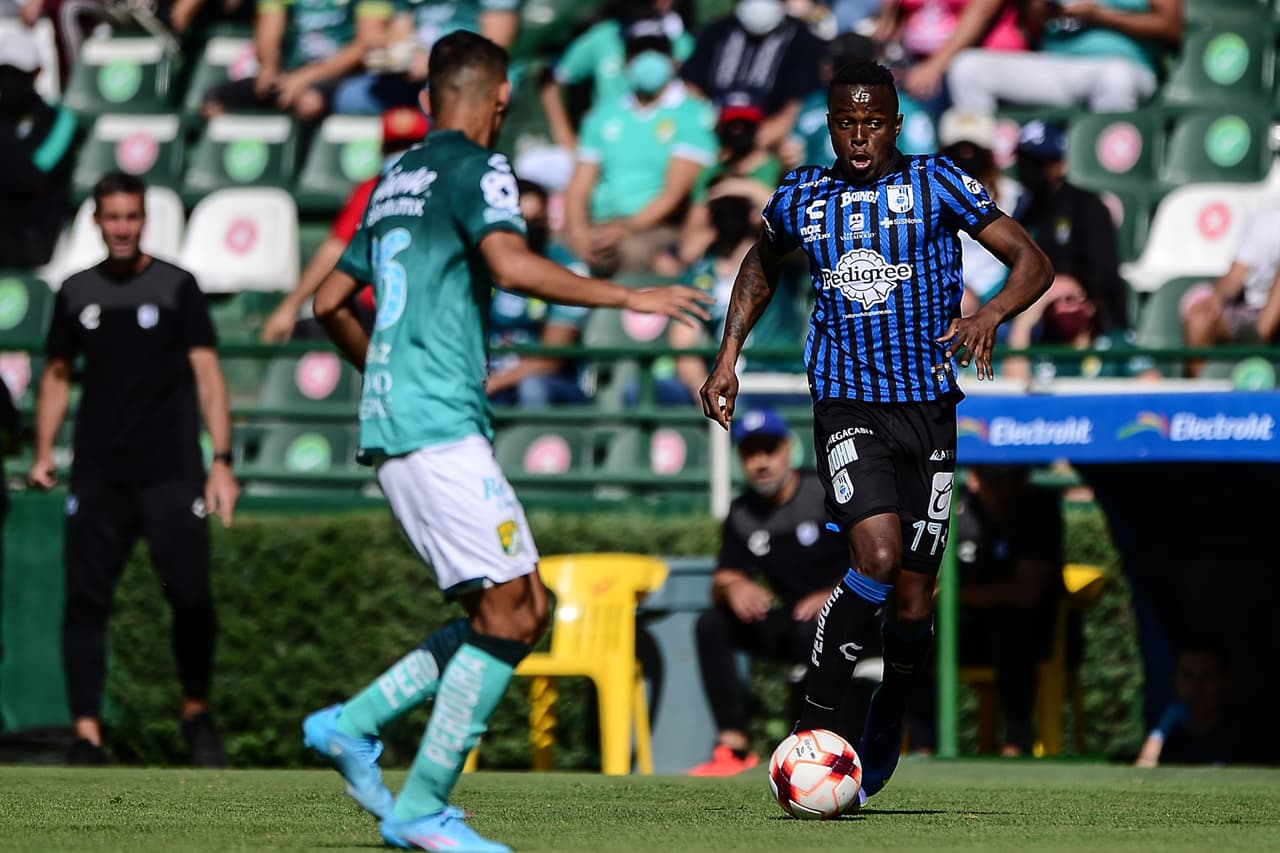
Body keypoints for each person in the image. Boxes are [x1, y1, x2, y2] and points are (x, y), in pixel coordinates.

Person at [303, 30, 708, 852]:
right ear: (499, 99)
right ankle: (417, 804)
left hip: (395, 419)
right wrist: (630, 294)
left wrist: (385, 370)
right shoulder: (478, 168)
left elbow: (327, 302)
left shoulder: (393, 179)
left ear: (428, 98)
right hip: (440, 423)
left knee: (505, 608)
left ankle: (353, 723)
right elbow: (513, 265)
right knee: (518, 611)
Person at [698, 60, 1052, 806]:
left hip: (928, 410)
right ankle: (816, 722)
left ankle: (889, 707)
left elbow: (1032, 260)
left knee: (915, 602)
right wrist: (728, 355)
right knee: (878, 555)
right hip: (846, 403)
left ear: (896, 124)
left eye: (874, 123)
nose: (860, 136)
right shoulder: (802, 193)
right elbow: (759, 267)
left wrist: (988, 314)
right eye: (846, 123)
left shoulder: (939, 183)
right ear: (831, 127)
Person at [28, 171, 240, 767]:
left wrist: (220, 461)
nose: (122, 228)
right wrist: (45, 453)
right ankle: (87, 735)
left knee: (191, 596)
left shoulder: (177, 288)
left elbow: (208, 375)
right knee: (86, 602)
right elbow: (57, 376)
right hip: (99, 473)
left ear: (145, 220)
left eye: (132, 217)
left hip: (171, 470)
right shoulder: (74, 293)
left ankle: (196, 713)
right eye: (112, 217)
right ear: (96, 221)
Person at [685, 408, 851, 777]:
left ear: (789, 449)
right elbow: (722, 578)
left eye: (769, 450)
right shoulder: (743, 513)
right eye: (750, 452)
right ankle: (732, 748)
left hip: (852, 618)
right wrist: (734, 586)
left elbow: (873, 558)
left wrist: (834, 594)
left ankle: (817, 746)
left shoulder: (826, 493)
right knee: (712, 625)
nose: (761, 462)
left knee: (817, 630)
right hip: (793, 619)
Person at [260, 105, 431, 343]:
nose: (402, 154)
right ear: (382, 150)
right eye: (395, 146)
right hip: (377, 309)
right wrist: (290, 306)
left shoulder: (441, 190)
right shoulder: (370, 191)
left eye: (411, 146)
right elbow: (336, 247)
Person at [562, 19, 719, 276]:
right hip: (599, 225)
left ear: (673, 61)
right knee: (556, 254)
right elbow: (579, 184)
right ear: (625, 62)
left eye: (656, 52)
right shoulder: (603, 115)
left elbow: (673, 194)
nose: (646, 60)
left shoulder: (693, 114)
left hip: (655, 229)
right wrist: (579, 232)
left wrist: (625, 228)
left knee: (631, 255)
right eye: (637, 53)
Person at [954, 464, 1064, 756]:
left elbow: (1025, 593)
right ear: (975, 479)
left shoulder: (1039, 510)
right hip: (964, 629)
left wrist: (956, 596)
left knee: (1011, 623)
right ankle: (919, 741)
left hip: (1027, 636)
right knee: (917, 628)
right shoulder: (953, 508)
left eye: (1013, 480)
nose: (1005, 491)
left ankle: (1017, 738)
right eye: (996, 482)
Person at [946, 0, 1183, 114]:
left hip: (1123, 65)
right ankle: (981, 182)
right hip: (1054, 63)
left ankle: (1106, 176)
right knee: (967, 68)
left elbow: (1171, 27)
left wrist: (1100, 16)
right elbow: (1034, 17)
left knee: (1115, 78)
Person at [1012, 120, 1130, 331]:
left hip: (1088, 315)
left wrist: (1063, 285)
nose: (1029, 170)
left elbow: (1104, 276)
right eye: (1024, 161)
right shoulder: (1024, 211)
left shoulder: (1088, 207)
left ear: (1060, 164)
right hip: (1036, 313)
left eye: (1038, 163)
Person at [486, 179, 592, 407]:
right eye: (524, 222)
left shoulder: (568, 269)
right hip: (489, 376)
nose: (532, 230)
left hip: (554, 385)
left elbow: (550, 359)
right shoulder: (482, 265)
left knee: (532, 387)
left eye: (539, 221)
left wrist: (492, 385)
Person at [539, 0, 695, 151]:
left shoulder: (681, 43)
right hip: (604, 148)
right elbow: (551, 79)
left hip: (661, 147)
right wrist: (567, 140)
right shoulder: (604, 36)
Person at [201, 0, 390, 124]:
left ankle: (304, 174)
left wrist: (304, 77)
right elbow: (268, 31)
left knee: (309, 102)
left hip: (342, 74)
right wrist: (269, 67)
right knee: (215, 101)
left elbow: (365, 44)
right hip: (291, 72)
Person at [679, 0, 824, 151]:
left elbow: (796, 108)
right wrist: (709, 133)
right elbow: (691, 88)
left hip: (767, 148)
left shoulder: (805, 41)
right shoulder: (715, 31)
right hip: (712, 136)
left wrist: (751, 148)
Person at [332, 0, 521, 115]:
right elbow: (401, 32)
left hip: (469, 72)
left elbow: (496, 44)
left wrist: (436, 62)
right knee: (351, 97)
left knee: (438, 97)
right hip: (415, 72)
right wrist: (397, 54)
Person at [0, 28, 74, 269]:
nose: (8, 82)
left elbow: (32, 174)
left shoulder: (60, 119)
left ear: (37, 72)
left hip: (32, 236)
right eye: (3, 73)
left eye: (18, 73)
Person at [1180, 207, 1280, 378]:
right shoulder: (1267, 219)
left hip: (1265, 323)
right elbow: (1236, 274)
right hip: (1252, 311)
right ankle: (1200, 394)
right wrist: (1215, 300)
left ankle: (1259, 341)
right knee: (1200, 320)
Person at [1135, 641, 1250, 767]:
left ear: (1224, 682)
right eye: (1187, 676)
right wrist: (1160, 732)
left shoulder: (1245, 737)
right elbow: (1142, 774)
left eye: (1206, 676)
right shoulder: (1168, 737)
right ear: (1174, 681)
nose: (1196, 687)